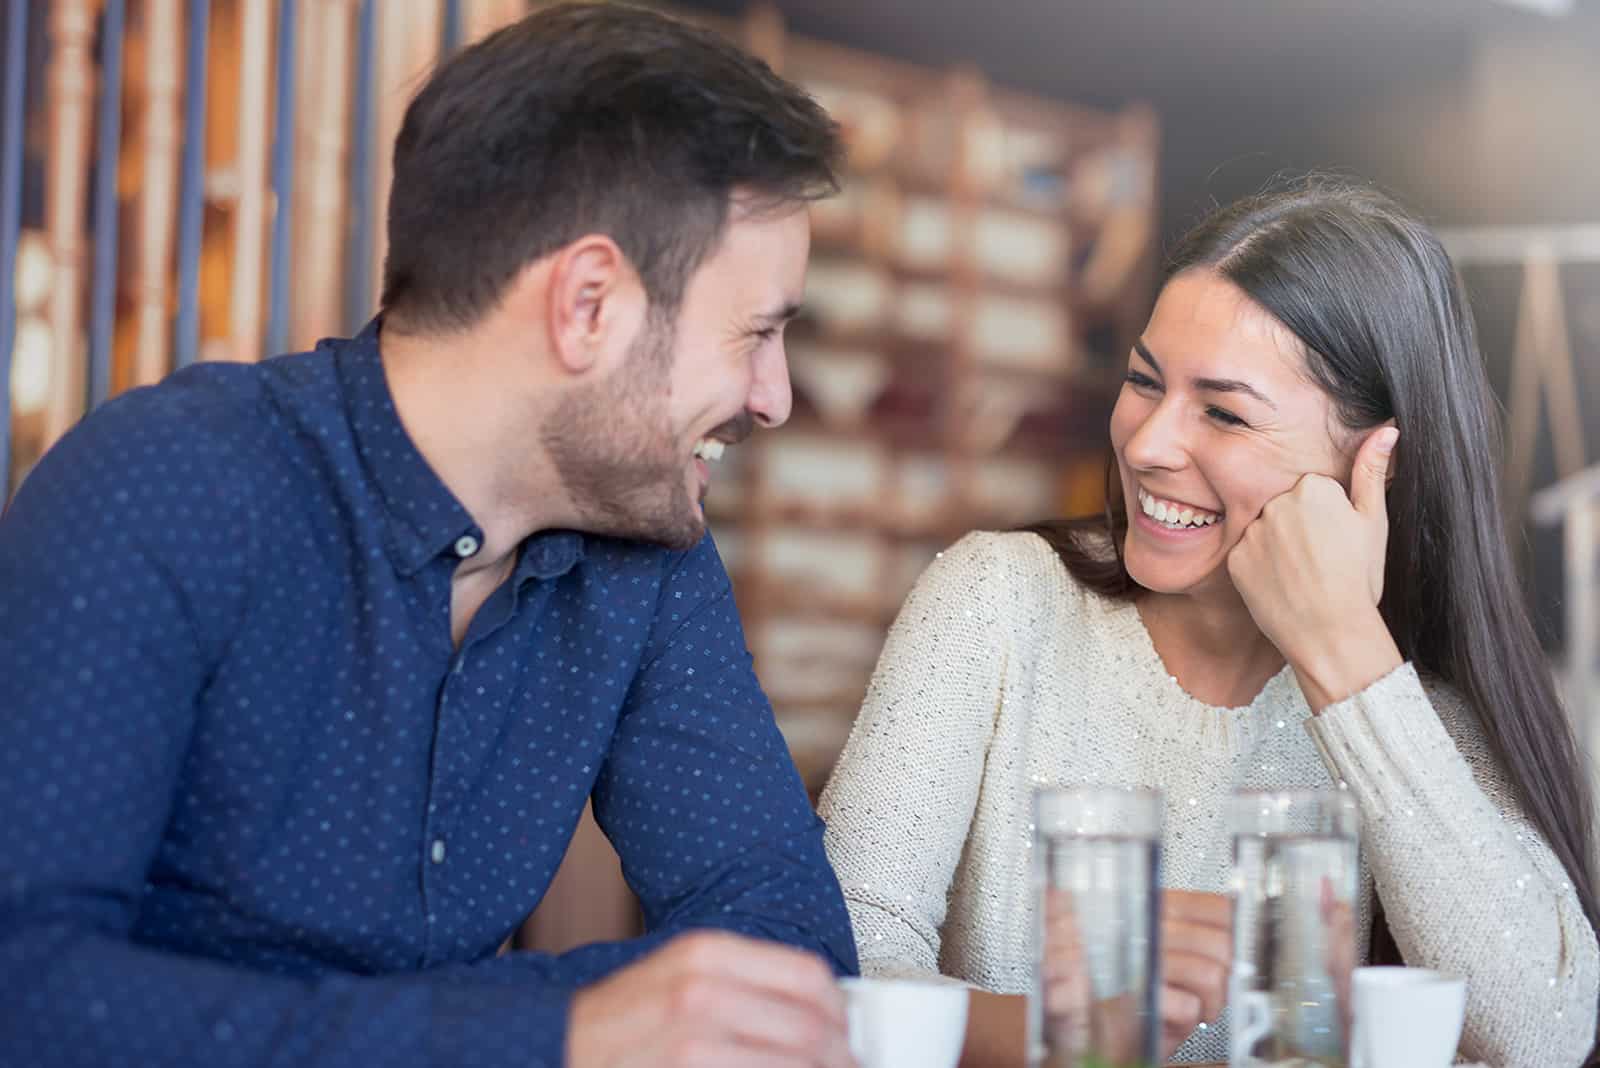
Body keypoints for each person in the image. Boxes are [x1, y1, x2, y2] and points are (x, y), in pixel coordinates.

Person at [0, 5, 861, 1066]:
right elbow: (26, 990)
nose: (774, 399)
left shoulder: (649, 559)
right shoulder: (168, 489)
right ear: (587, 305)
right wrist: (552, 1029)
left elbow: (787, 938)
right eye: (758, 333)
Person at [819, 177, 1600, 1067]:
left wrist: (1344, 653)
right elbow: (839, 966)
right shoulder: (997, 603)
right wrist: (1070, 1030)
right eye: (1144, 383)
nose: (1148, 445)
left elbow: (1545, 1037)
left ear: (1376, 464)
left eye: (1224, 413)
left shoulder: (1426, 710)